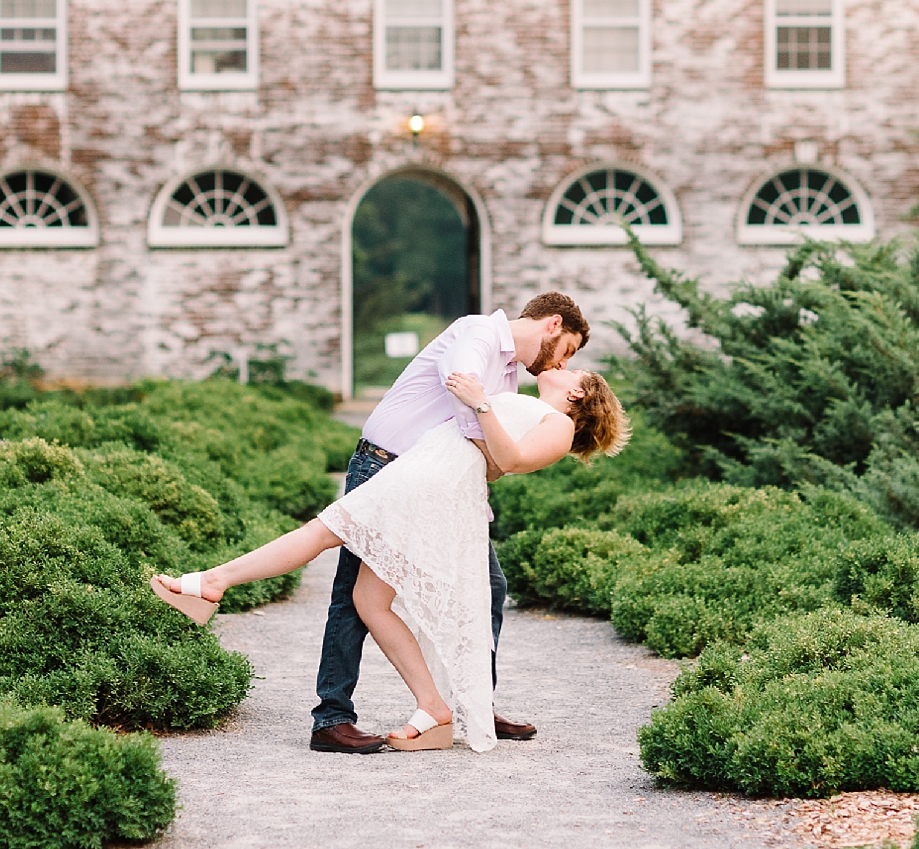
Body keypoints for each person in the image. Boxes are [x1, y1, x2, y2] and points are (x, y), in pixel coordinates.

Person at [150, 361, 629, 752]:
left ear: (579, 394)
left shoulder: (559, 424)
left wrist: (480, 402)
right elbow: (490, 458)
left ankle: (213, 582)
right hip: (422, 476)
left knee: (323, 532)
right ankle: (433, 707)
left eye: (575, 370)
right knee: (368, 599)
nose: (564, 366)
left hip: (427, 488)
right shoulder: (527, 405)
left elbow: (510, 462)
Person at [316, 292, 587, 753]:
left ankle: (473, 705)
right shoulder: (479, 332)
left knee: (490, 585)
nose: (562, 363)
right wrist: (493, 455)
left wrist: (490, 465)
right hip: (384, 466)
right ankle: (331, 718)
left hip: (432, 489)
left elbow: (487, 445)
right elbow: (463, 397)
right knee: (352, 593)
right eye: (569, 350)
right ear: (553, 324)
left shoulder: (508, 374)